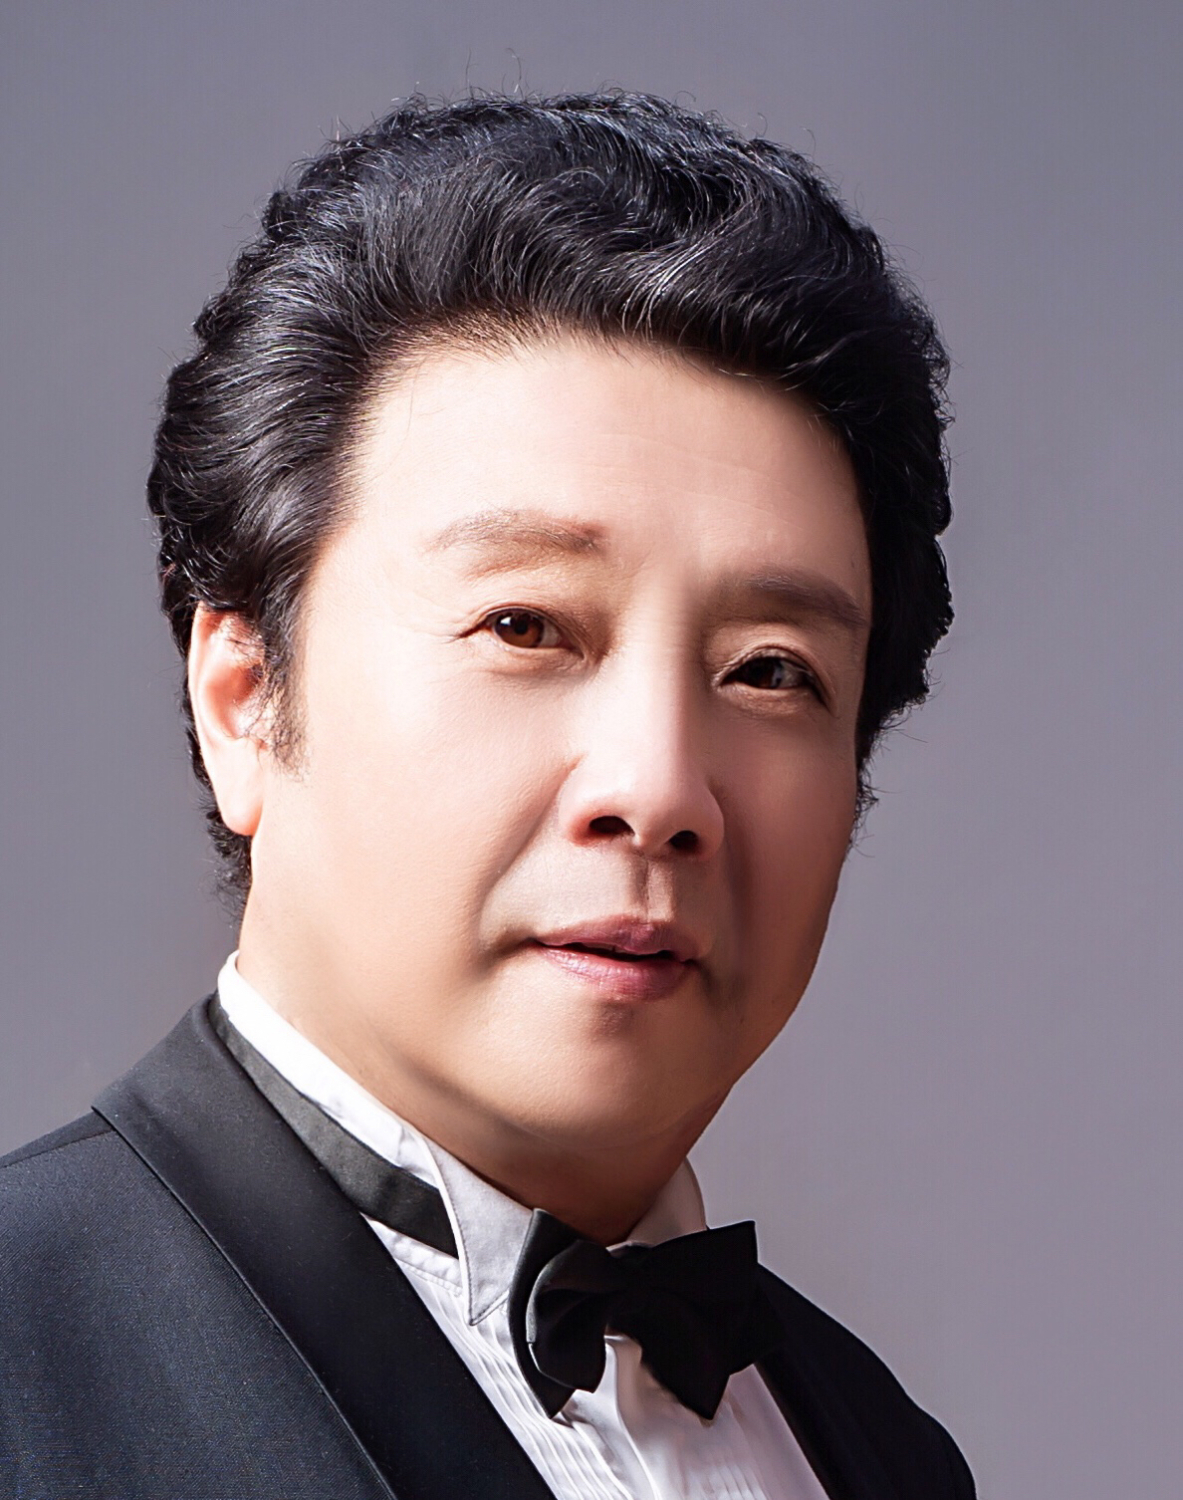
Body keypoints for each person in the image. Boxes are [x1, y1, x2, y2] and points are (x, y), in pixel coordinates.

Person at [0, 93, 973, 1498]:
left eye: (770, 670)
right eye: (525, 626)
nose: (658, 789)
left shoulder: (883, 1450)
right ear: (245, 698)